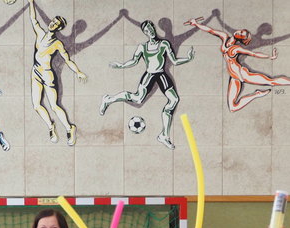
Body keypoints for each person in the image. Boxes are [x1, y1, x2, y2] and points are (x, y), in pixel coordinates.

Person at [99, 20, 194, 150]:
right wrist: (120, 65)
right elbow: (133, 61)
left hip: (161, 75)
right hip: (149, 76)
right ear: (145, 32)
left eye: (151, 28)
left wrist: (188, 58)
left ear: (154, 28)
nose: (150, 31)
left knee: (174, 99)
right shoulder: (142, 47)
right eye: (147, 30)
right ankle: (109, 99)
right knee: (138, 99)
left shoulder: (164, 44)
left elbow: (175, 61)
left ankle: (164, 136)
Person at [185, 17, 290, 112]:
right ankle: (256, 94)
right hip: (235, 77)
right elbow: (210, 30)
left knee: (271, 81)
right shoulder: (224, 36)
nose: (238, 31)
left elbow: (253, 53)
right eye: (241, 31)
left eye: (241, 33)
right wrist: (195, 24)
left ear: (240, 38)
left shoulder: (236, 49)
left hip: (243, 74)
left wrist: (269, 57)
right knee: (232, 107)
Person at [28, 0, 87, 145]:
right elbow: (33, 18)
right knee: (36, 105)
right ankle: (51, 126)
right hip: (35, 72)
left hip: (47, 75)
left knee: (54, 106)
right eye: (52, 21)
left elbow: (67, 60)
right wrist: (31, 2)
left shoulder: (57, 44)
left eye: (56, 24)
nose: (52, 24)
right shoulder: (40, 33)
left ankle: (69, 128)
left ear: (59, 28)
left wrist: (78, 71)